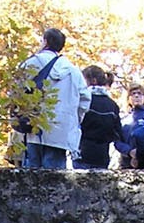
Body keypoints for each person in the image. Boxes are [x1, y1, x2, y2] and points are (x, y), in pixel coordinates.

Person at [13, 27, 87, 169]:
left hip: (33, 126)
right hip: (60, 131)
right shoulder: (73, 71)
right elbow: (84, 102)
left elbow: (16, 92)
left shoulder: (29, 64)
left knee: (31, 174)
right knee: (54, 175)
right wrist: (71, 120)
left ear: (45, 41)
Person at [75, 67, 123, 169]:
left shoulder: (83, 101)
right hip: (102, 155)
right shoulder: (112, 105)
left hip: (82, 153)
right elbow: (117, 133)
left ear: (93, 81)